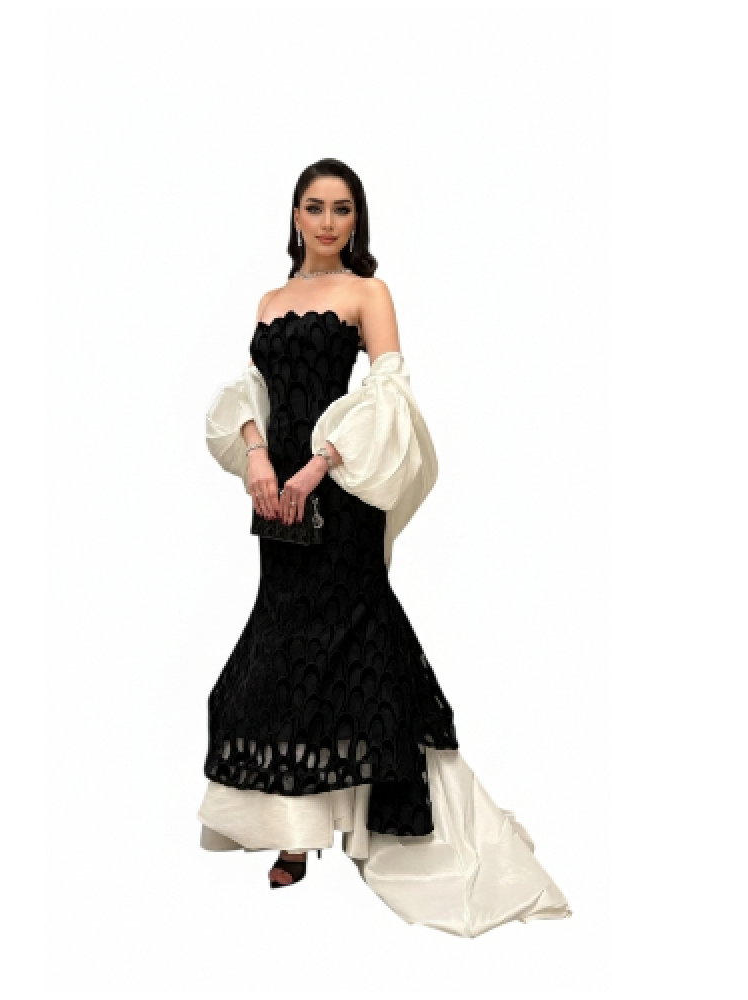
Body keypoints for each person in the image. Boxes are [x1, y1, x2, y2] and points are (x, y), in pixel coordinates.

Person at [198, 158, 571, 937]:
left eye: (343, 209)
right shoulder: (270, 300)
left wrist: (316, 466)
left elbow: (389, 391)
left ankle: (379, 822)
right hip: (277, 499)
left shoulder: (369, 292)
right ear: (295, 216)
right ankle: (294, 833)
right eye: (315, 207)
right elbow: (249, 393)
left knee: (349, 644)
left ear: (356, 220)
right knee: (282, 648)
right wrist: (259, 457)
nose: (328, 222)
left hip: (338, 490)